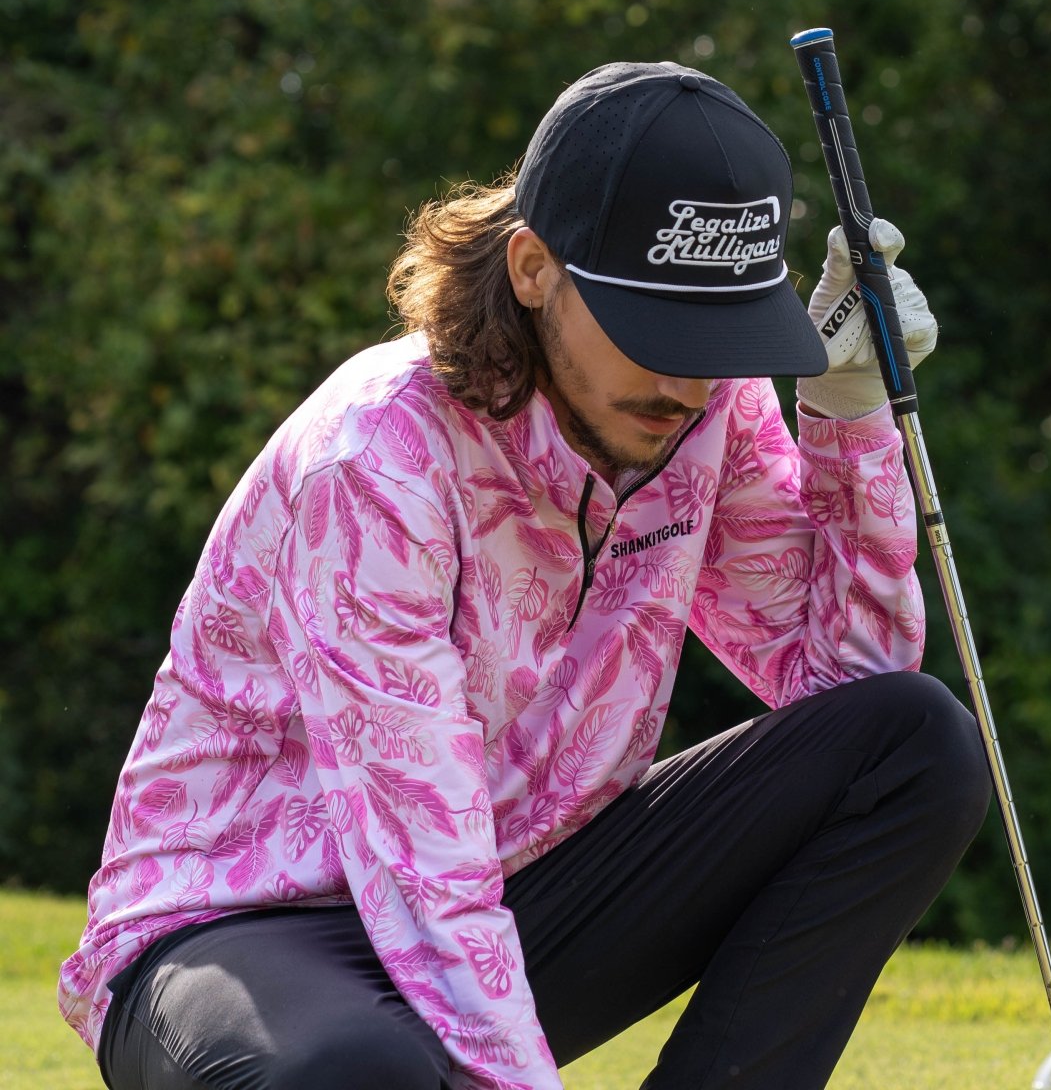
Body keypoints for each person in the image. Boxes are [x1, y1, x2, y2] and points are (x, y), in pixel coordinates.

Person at [60, 60, 991, 1090]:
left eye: (717, 334)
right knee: (356, 1076)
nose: (686, 379)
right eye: (656, 328)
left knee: (915, 743)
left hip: (514, 888)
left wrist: (850, 416)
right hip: (247, 930)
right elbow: (421, 864)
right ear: (534, 267)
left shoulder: (705, 408)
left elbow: (839, 692)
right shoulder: (376, 461)